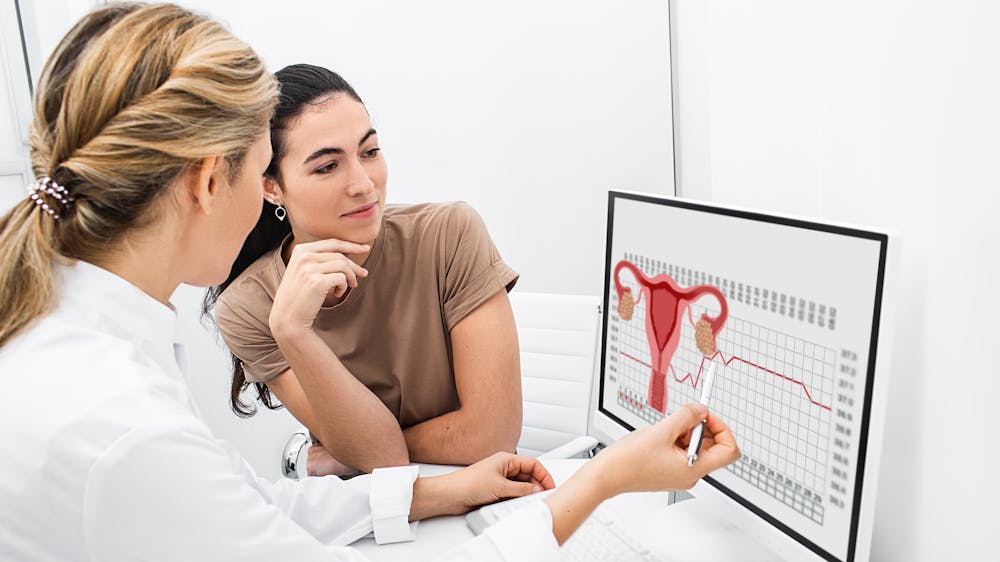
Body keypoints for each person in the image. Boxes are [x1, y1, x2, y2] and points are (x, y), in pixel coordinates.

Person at [0, 3, 739, 560]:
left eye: (371, 151)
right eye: (269, 170)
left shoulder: (79, 346)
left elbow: (261, 499)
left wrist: (441, 486)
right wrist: (603, 480)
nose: (362, 185)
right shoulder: (128, 426)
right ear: (207, 184)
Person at [207, 64, 523, 475]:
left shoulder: (449, 235)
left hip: (481, 493)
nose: (362, 184)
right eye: (327, 167)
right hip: (369, 517)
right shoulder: (249, 307)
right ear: (271, 187)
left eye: (369, 152)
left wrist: (347, 454)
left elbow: (492, 437)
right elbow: (380, 459)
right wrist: (292, 330)